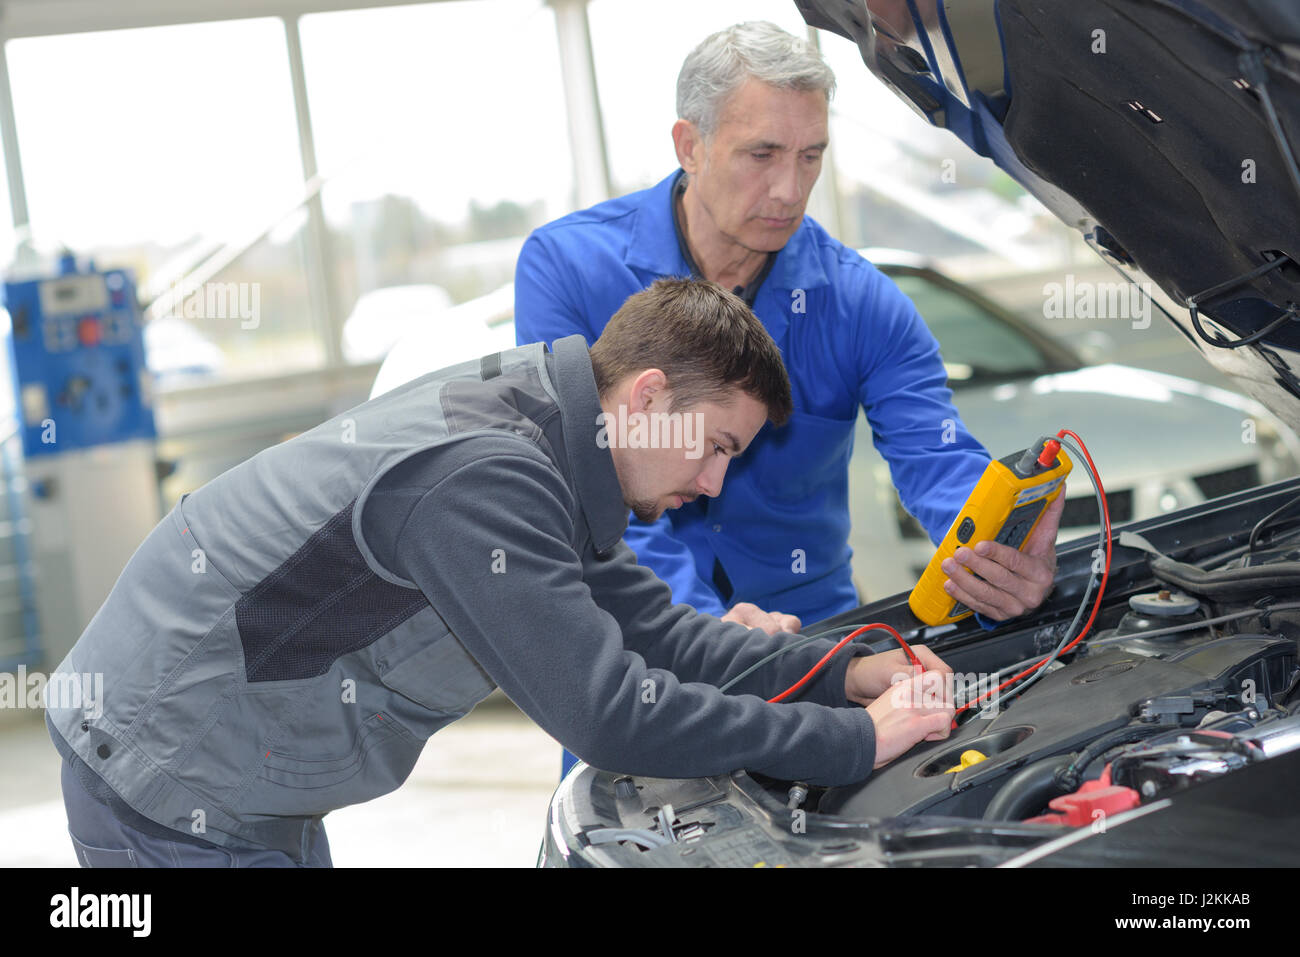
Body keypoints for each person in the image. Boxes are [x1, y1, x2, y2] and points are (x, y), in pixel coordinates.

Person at [46, 278, 955, 868]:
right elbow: (609, 710)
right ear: (646, 397)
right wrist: (854, 742)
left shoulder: (555, 430)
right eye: (715, 447)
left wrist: (842, 672)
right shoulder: (489, 475)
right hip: (170, 772)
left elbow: (653, 630)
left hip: (242, 764)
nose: (714, 483)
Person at [515, 21, 1063, 646]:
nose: (790, 189)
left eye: (811, 157)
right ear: (689, 145)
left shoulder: (866, 304)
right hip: (629, 642)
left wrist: (1000, 551)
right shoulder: (567, 269)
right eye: (762, 154)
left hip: (813, 643)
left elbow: (936, 458)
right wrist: (697, 626)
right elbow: (581, 479)